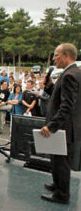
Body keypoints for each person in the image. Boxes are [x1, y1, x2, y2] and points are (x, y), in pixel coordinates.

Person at [40, 43, 81, 204]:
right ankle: (58, 185)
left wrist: (51, 126)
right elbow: (61, 98)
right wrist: (50, 86)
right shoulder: (73, 72)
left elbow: (67, 107)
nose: (53, 58)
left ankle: (62, 195)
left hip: (64, 127)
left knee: (60, 161)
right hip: (67, 126)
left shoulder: (70, 75)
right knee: (58, 161)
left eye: (57, 55)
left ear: (67, 56)